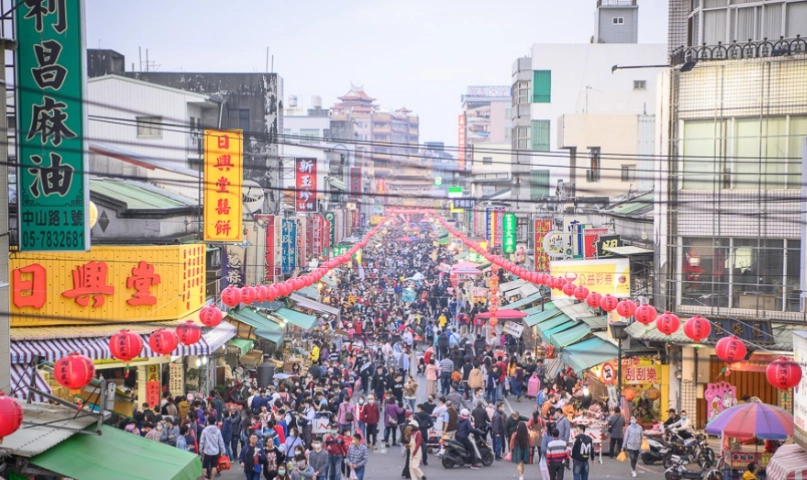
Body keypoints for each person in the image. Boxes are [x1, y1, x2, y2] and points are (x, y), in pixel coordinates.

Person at [199, 415, 227, 480]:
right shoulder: (218, 430)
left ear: (208, 422)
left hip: (207, 451)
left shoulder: (205, 430)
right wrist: (223, 451)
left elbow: (202, 441)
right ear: (215, 422)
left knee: (204, 466)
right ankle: (212, 478)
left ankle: (203, 478)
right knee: (214, 466)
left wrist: (201, 449)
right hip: (215, 451)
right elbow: (221, 441)